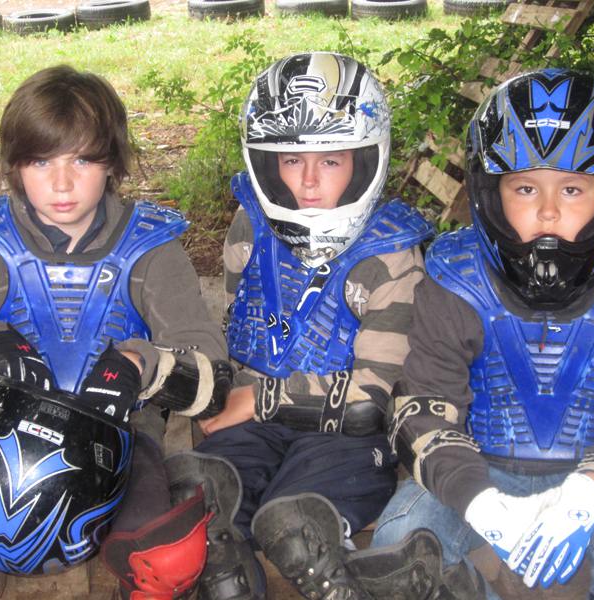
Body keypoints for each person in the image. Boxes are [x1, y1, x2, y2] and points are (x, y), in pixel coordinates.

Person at [0, 64, 232, 600]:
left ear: (113, 162)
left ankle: (150, 540)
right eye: (40, 160)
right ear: (15, 166)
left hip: (116, 434)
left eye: (81, 159)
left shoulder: (151, 250)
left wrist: (142, 366)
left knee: (169, 562)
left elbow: (212, 373)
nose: (61, 183)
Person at [372, 68, 594, 600]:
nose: (548, 211)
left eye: (572, 188)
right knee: (401, 542)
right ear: (490, 192)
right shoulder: (455, 275)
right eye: (525, 187)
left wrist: (588, 494)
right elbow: (424, 405)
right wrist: (479, 502)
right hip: (478, 467)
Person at [164, 52, 441, 600]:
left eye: (331, 161)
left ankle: (324, 563)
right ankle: (224, 566)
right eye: (291, 161)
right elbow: (243, 325)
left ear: (365, 161)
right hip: (254, 416)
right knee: (204, 490)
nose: (309, 182)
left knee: (295, 515)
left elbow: (371, 396)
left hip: (345, 432)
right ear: (266, 162)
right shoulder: (250, 226)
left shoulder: (390, 256)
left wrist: (262, 399)